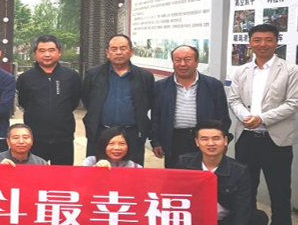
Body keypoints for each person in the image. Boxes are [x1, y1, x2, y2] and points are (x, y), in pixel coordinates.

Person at [228, 23, 298, 225]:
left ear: (277, 42)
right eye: (257, 40)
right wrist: (246, 117)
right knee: (246, 187)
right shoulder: (241, 71)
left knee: (280, 189)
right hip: (247, 137)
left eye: (268, 40)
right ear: (250, 43)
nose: (262, 44)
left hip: (275, 139)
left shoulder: (290, 70)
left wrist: (263, 119)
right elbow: (234, 100)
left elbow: (293, 103)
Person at [178, 120, 269, 225]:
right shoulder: (183, 162)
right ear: (197, 142)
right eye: (204, 139)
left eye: (216, 138)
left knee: (258, 217)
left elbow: (242, 210)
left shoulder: (239, 171)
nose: (211, 143)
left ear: (225, 141)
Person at [151, 45, 230, 168]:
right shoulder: (160, 86)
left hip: (205, 139)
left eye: (187, 59)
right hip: (174, 140)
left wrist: (221, 141)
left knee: (203, 175)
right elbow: (156, 116)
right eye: (177, 60)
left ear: (197, 62)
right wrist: (156, 142)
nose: (182, 64)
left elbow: (223, 116)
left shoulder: (213, 85)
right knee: (176, 176)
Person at [82, 34, 154, 167]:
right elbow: (88, 100)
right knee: (98, 171)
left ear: (131, 52)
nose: (119, 52)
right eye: (114, 49)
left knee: (132, 174)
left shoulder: (145, 76)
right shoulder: (93, 74)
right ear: (107, 53)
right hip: (100, 133)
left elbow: (147, 102)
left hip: (132, 134)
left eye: (123, 48)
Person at [81, 126, 142, 225]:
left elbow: (141, 194)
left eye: (122, 144)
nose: (117, 148)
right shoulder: (91, 161)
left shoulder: (136, 167)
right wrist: (95, 170)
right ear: (103, 145)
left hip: (122, 211)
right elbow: (79, 184)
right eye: (111, 144)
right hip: (96, 209)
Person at [15, 35, 81, 165]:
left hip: (64, 138)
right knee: (35, 175)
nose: (47, 54)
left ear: (59, 52)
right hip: (35, 139)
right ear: (35, 53)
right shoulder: (25, 78)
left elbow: (74, 102)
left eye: (51, 50)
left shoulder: (71, 76)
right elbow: (23, 102)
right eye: (42, 50)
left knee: (63, 176)